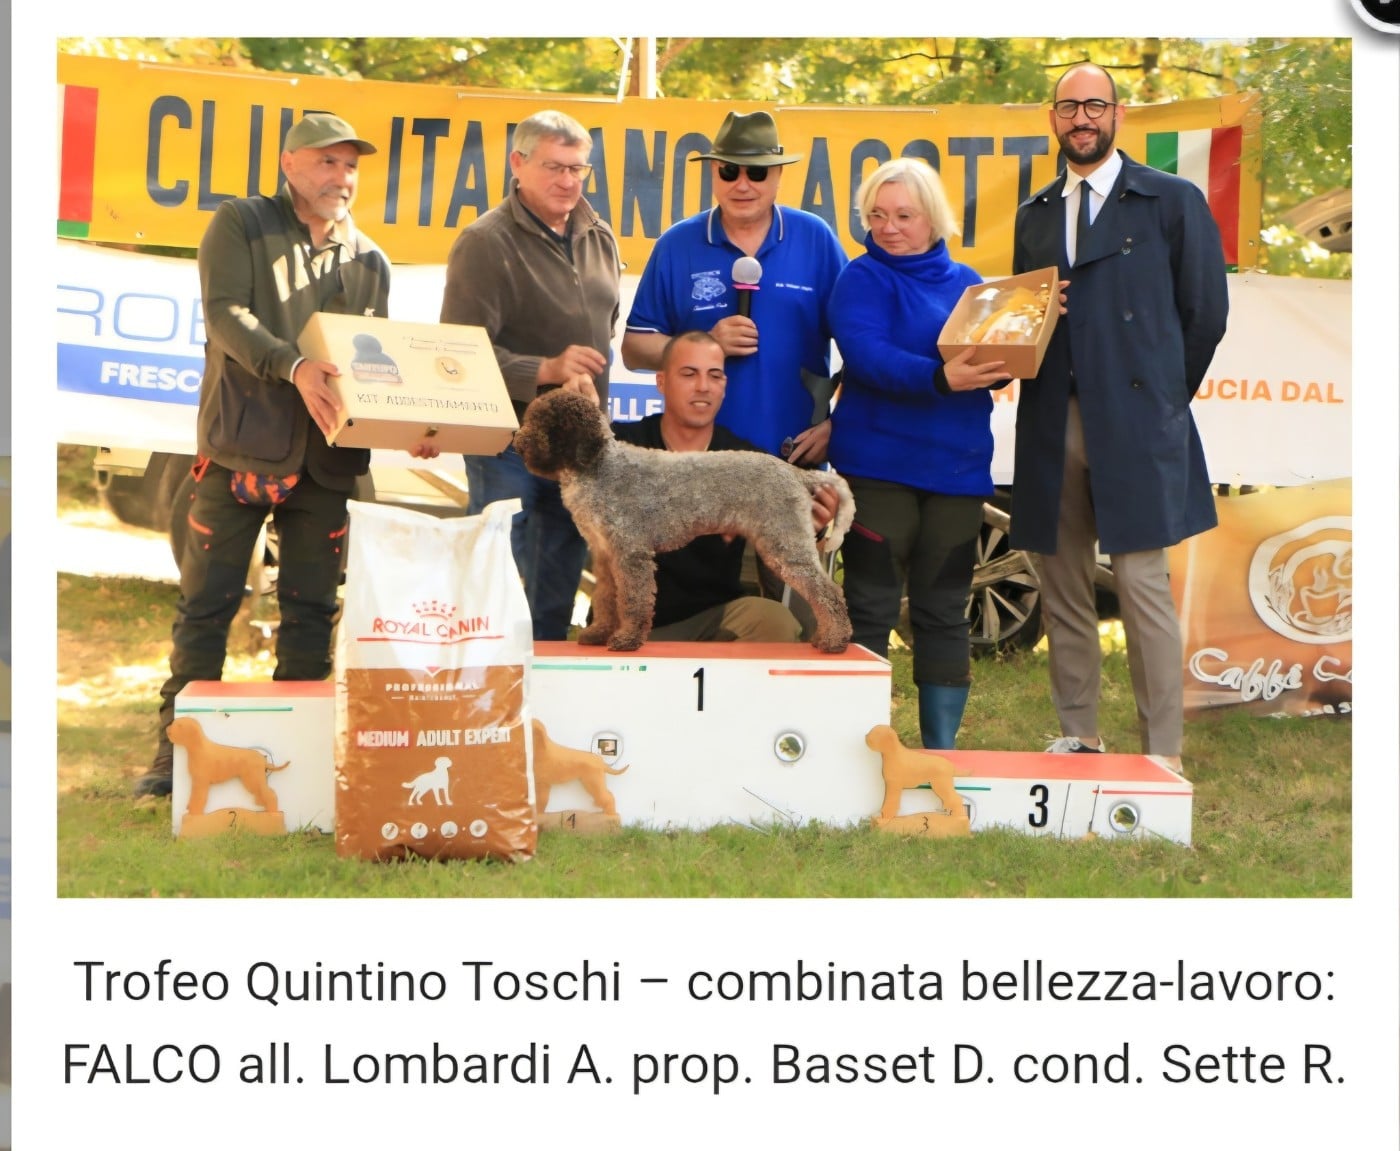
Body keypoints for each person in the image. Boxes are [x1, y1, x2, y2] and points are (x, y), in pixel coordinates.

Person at [134, 113, 438, 798]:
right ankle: (173, 756)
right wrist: (293, 365)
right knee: (206, 606)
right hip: (241, 447)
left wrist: (410, 422)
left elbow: (373, 364)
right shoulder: (241, 224)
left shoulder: (371, 259)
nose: (342, 176)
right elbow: (225, 316)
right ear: (289, 163)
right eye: (327, 162)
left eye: (350, 165)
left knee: (313, 612)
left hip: (329, 462)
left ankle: (297, 762)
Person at [1011, 63, 1229, 773]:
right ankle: (1079, 732)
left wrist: (1161, 399)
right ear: (1053, 117)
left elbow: (1205, 313)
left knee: (1142, 587)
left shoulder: (1171, 199)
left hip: (1136, 420)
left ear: (1118, 114)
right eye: (1069, 106)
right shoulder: (1036, 212)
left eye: (1094, 106)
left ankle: (1161, 750)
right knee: (1063, 584)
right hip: (1054, 417)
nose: (1082, 118)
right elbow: (1027, 318)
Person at [827, 158, 1011, 750]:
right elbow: (866, 355)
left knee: (944, 608)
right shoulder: (859, 278)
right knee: (871, 604)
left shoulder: (971, 283)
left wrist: (1019, 344)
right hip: (876, 468)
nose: (888, 227)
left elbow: (992, 365)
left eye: (903, 215)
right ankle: (855, 745)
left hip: (957, 471)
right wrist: (940, 378)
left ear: (933, 218)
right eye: (877, 215)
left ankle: (939, 754)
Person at [440, 109, 621, 641]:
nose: (568, 180)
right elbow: (455, 355)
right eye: (554, 167)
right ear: (517, 164)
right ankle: (487, 685)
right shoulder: (484, 242)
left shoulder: (599, 234)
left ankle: (546, 687)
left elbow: (605, 328)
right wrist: (545, 369)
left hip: (577, 445)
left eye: (578, 169)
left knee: (558, 587)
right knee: (497, 582)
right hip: (506, 442)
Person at [621, 110, 847, 465]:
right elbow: (634, 349)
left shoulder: (816, 239)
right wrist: (705, 345)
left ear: (778, 175)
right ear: (713, 171)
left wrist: (840, 424)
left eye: (756, 173)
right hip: (696, 465)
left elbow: (863, 346)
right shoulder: (676, 245)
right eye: (729, 171)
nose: (742, 185)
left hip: (791, 460)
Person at [610, 330, 837, 642]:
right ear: (661, 382)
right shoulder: (621, 444)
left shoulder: (748, 460)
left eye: (714, 376)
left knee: (775, 621)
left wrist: (811, 525)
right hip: (627, 622)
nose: (703, 386)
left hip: (713, 618)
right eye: (689, 374)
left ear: (724, 386)